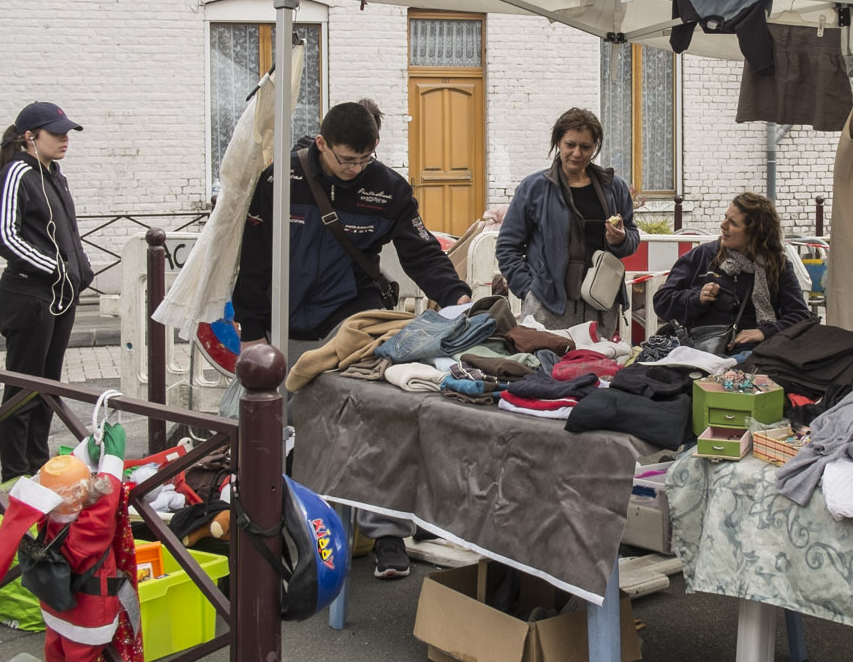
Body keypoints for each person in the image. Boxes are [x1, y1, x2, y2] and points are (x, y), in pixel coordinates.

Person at [233, 99, 470, 579]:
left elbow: (421, 254)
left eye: (363, 160)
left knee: (372, 422)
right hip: (283, 325)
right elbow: (254, 259)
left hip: (349, 322)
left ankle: (385, 535)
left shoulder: (388, 189)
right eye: (344, 159)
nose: (353, 169)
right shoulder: (281, 181)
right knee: (269, 429)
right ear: (321, 144)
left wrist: (458, 298)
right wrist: (252, 332)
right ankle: (270, 531)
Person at [0, 101, 93, 481]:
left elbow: (69, 229)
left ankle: (37, 466)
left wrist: (81, 270)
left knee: (47, 388)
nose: (65, 138)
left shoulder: (55, 174)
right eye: (57, 132)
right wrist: (56, 268)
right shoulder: (18, 171)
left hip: (60, 295)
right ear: (30, 137)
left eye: (67, 131)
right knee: (23, 389)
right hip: (29, 295)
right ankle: (14, 475)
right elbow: (4, 236)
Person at [497, 108, 642, 338]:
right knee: (544, 369)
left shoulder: (614, 187)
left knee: (596, 370)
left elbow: (632, 236)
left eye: (585, 147)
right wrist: (530, 290)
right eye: (570, 145)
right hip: (548, 305)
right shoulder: (534, 188)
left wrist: (621, 239)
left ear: (595, 147)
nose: (577, 153)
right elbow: (507, 246)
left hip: (600, 304)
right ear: (558, 143)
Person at [653, 192, 812, 353]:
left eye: (733, 223)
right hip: (701, 352)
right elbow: (662, 302)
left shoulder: (778, 266)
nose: (723, 225)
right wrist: (697, 298)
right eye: (725, 217)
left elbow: (800, 316)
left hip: (759, 354)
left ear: (755, 234)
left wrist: (764, 332)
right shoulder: (701, 256)